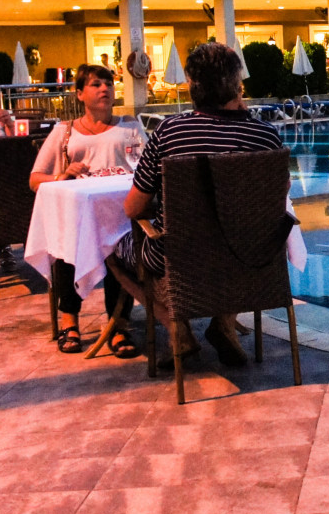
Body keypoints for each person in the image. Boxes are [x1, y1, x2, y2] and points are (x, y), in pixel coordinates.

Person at [123, 42, 289, 367]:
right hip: (249, 256)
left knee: (111, 252)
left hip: (183, 259)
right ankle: (224, 324)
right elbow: (278, 196)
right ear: (237, 84)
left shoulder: (169, 132)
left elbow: (132, 208)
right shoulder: (265, 136)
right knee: (234, 245)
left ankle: (177, 329)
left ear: (192, 85)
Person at [29, 65, 146, 356]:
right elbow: (35, 179)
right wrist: (62, 175)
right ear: (80, 94)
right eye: (96, 84)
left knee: (122, 246)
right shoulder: (64, 131)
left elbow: (148, 168)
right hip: (77, 215)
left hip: (119, 213)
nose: (105, 89)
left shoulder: (130, 126)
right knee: (66, 243)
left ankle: (118, 325)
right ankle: (69, 320)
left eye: (108, 83)